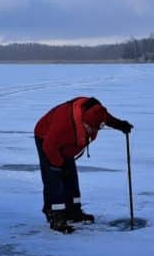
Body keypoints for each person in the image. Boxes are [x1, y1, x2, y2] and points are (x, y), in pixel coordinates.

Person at [34, 97, 132, 233]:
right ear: (84, 122)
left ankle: (73, 212)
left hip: (67, 143)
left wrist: (120, 125)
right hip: (46, 138)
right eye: (89, 128)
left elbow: (106, 119)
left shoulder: (97, 112)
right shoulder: (64, 124)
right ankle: (56, 216)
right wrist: (57, 164)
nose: (91, 131)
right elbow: (49, 145)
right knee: (54, 178)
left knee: (71, 176)